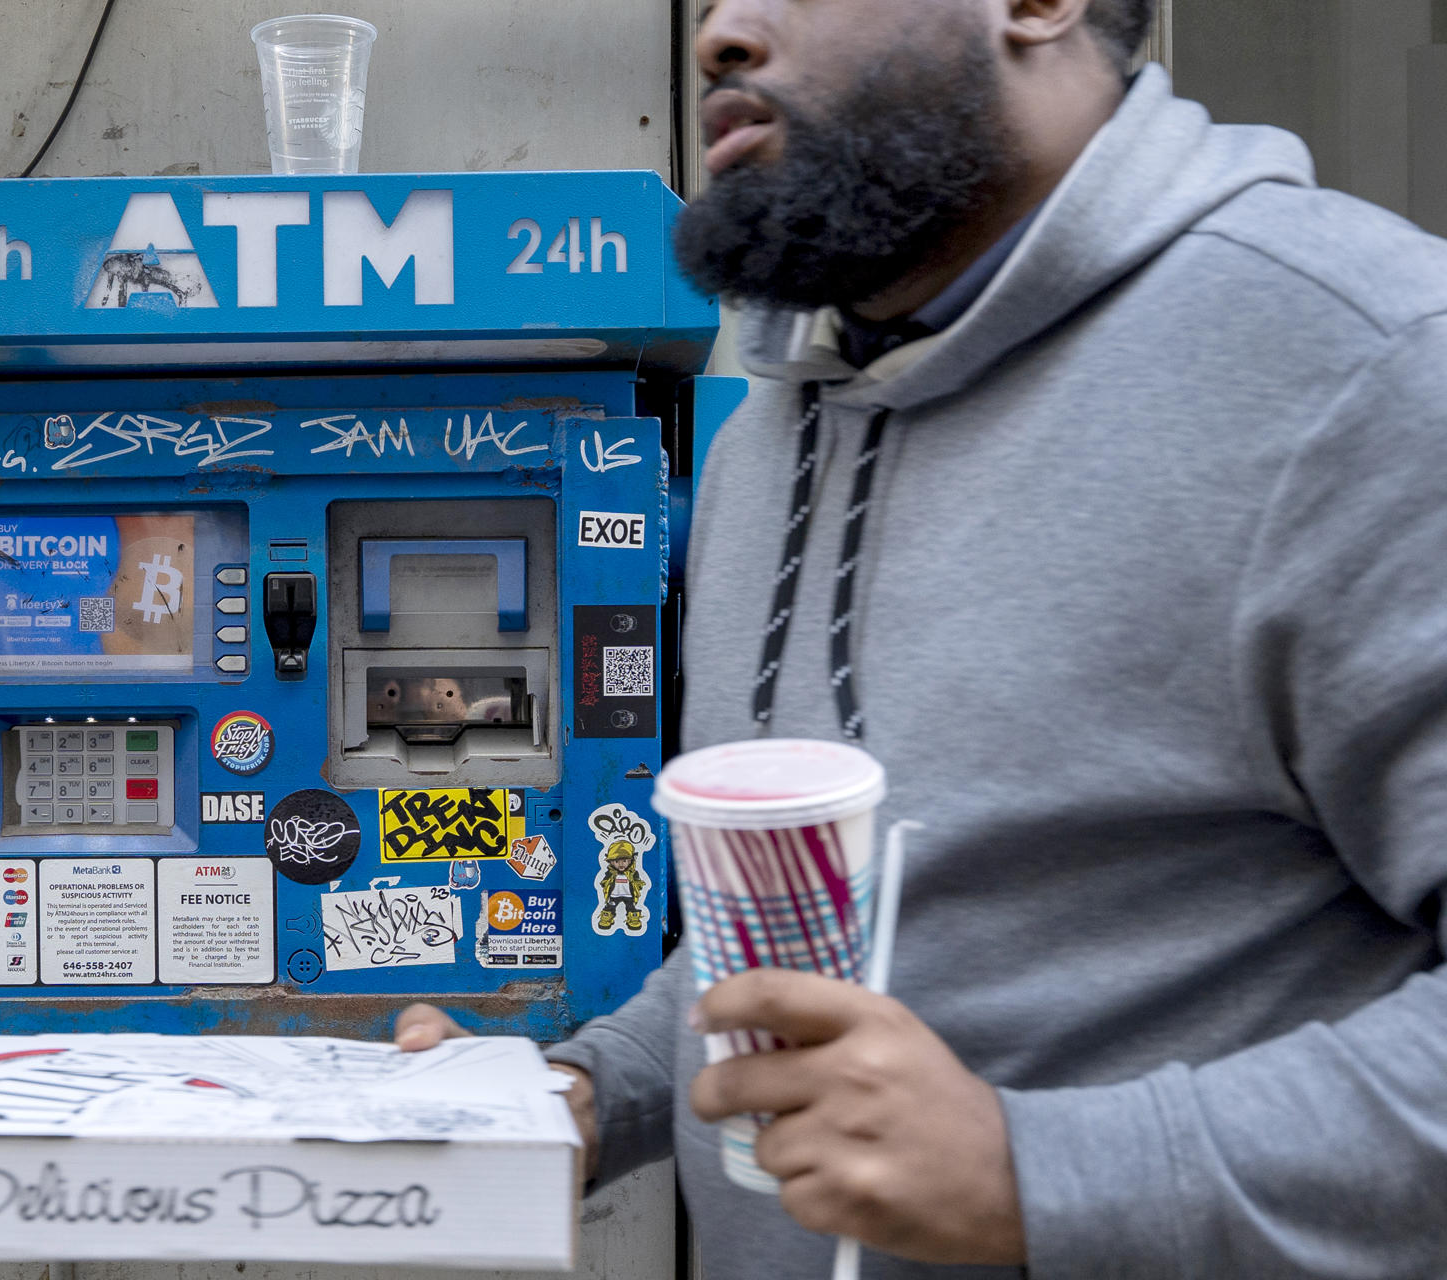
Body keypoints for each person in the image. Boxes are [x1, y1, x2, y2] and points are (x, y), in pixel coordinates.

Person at [396, 0, 1447, 1275]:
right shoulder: (768, 434)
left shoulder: (1370, 359)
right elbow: (817, 921)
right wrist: (585, 1092)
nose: (720, 31)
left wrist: (1036, 1171)